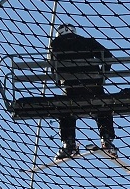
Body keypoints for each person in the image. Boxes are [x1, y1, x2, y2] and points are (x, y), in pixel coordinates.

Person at [48, 24, 116, 159]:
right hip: (93, 87)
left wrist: (58, 80)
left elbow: (52, 66)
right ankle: (107, 140)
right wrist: (102, 76)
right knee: (103, 105)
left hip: (72, 89)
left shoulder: (55, 44)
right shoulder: (87, 41)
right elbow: (108, 56)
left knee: (65, 108)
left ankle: (69, 143)